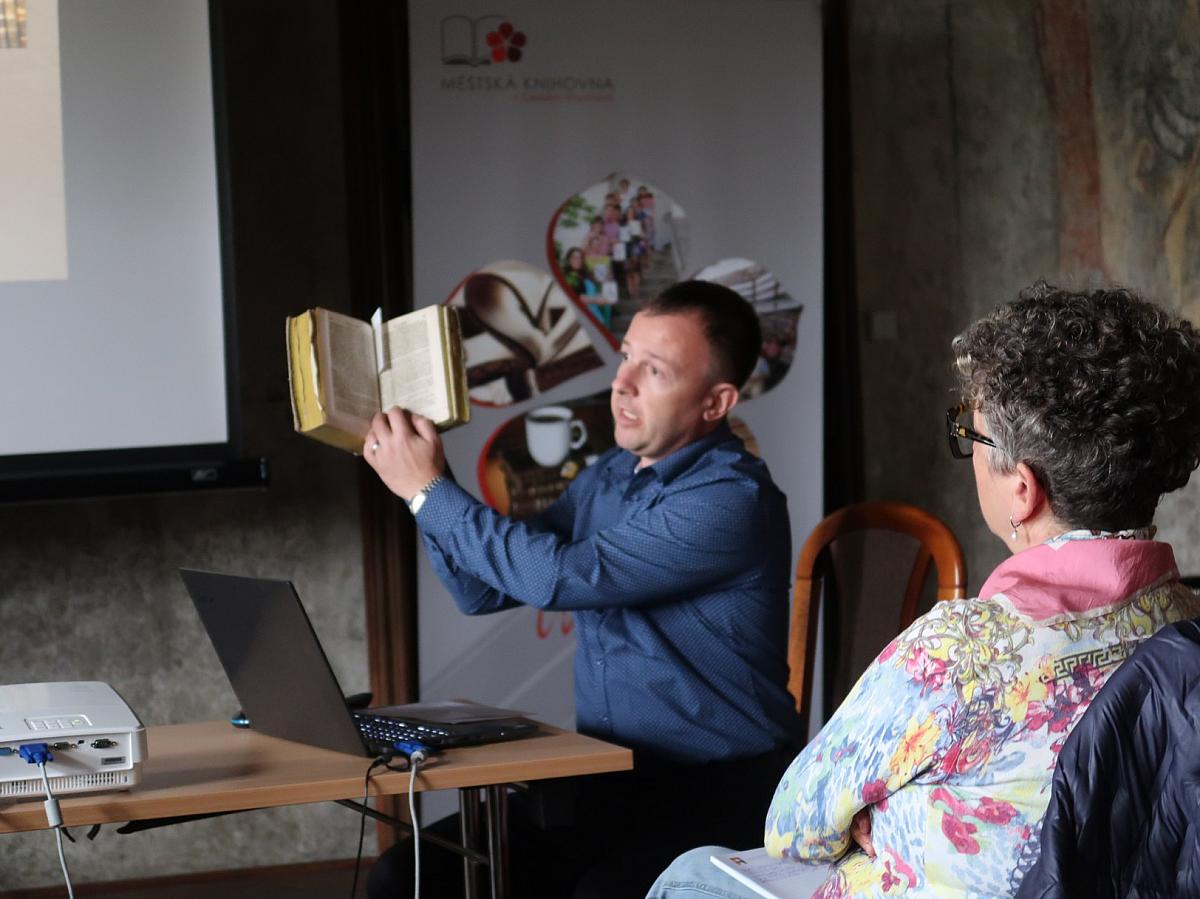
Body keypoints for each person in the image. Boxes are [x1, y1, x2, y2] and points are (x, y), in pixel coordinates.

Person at [647, 282, 1200, 898]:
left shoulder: (960, 650)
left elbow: (795, 825)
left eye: (973, 436)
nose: (969, 453)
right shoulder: (1188, 626)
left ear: (1023, 490)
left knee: (690, 874)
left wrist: (883, 813)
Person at [364, 280, 800, 898]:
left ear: (715, 401)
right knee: (405, 875)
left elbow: (557, 577)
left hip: (719, 789)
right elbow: (480, 592)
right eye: (626, 357)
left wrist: (427, 492)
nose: (622, 383)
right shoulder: (612, 474)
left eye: (654, 370)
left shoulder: (731, 500)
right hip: (607, 774)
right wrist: (430, 482)